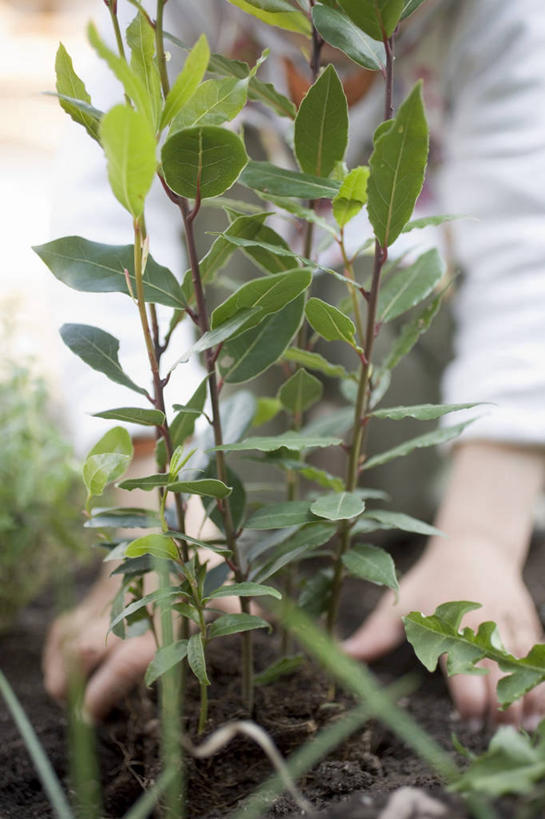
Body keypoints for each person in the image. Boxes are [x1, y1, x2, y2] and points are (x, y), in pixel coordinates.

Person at [43, 0, 545, 730]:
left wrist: (480, 535)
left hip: (431, 431)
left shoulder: (500, 24)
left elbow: (527, 271)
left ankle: (416, 526)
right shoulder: (161, 16)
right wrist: (153, 530)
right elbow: (116, 254)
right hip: (224, 442)